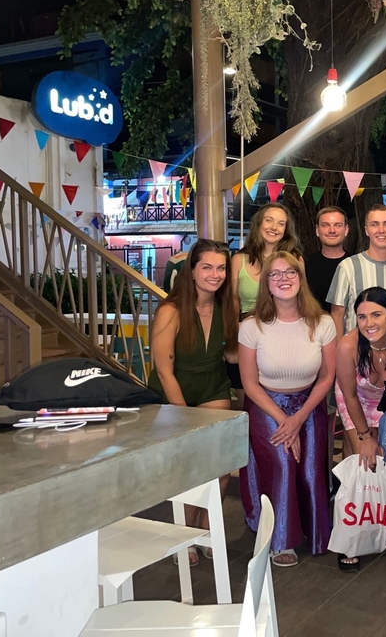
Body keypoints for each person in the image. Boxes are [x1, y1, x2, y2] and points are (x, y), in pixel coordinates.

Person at [238, 251, 336, 568]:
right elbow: (250, 383)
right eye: (275, 274)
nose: (283, 279)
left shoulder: (322, 323)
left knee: (309, 469)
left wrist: (300, 417)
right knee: (281, 463)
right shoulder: (251, 326)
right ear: (266, 282)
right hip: (267, 405)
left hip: (308, 404)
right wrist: (285, 421)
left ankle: (313, 532)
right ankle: (279, 539)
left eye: (290, 272)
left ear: (300, 277)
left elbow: (327, 377)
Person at [149, 239, 237, 564]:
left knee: (223, 460)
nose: (215, 274)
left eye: (220, 268)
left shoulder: (224, 306)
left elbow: (230, 354)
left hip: (213, 386)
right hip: (175, 392)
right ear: (193, 270)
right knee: (190, 464)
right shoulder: (171, 311)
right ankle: (182, 534)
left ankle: (205, 527)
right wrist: (186, 420)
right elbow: (164, 370)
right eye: (207, 267)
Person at [333, 287, 386, 571]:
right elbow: (349, 394)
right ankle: (350, 532)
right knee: (362, 459)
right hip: (356, 399)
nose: (369, 323)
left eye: (376, 314)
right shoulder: (348, 345)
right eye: (362, 316)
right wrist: (365, 436)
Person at [228, 203, 304, 395]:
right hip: (246, 333)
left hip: (283, 334)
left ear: (286, 230)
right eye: (269, 220)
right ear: (258, 224)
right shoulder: (239, 260)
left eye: (281, 223)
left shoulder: (296, 259)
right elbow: (232, 301)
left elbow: (301, 299)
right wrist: (236, 328)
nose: (274, 227)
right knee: (246, 395)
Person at [328, 204, 386, 337]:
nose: (381, 230)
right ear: (366, 230)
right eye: (375, 224)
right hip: (356, 351)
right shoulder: (347, 267)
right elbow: (337, 315)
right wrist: (340, 352)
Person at [306, 206, 351, 314]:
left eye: (337, 225)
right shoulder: (305, 265)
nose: (332, 230)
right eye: (325, 225)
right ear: (317, 230)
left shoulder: (356, 264)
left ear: (346, 230)